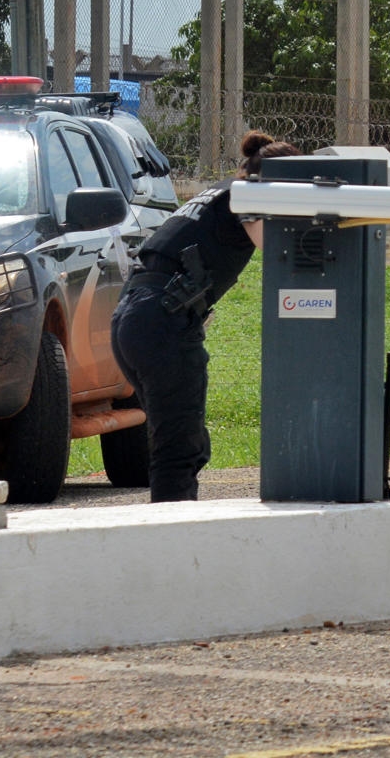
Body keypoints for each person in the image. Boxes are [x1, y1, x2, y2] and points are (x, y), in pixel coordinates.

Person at [111, 130, 300, 501]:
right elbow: (281, 253)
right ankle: (173, 546)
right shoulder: (250, 195)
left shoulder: (221, 191)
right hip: (161, 324)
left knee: (187, 442)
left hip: (136, 317)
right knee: (178, 450)